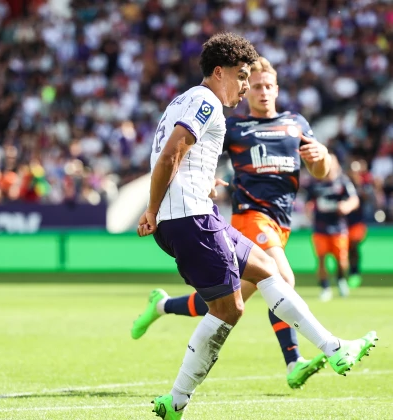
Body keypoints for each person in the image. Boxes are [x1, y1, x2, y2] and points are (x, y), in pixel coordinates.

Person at [137, 33, 378, 420]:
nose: (247, 86)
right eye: (243, 76)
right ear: (219, 72)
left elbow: (180, 153)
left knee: (267, 272)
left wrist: (198, 182)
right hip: (190, 219)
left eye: (255, 79)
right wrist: (151, 209)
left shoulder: (183, 99)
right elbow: (169, 155)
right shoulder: (206, 102)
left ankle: (334, 348)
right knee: (229, 309)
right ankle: (177, 401)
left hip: (195, 212)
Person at [132, 56, 335, 389]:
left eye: (267, 86)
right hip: (250, 217)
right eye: (253, 85)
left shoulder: (295, 123)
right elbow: (194, 151)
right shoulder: (236, 126)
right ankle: (297, 360)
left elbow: (320, 171)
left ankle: (164, 306)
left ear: (277, 88)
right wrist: (205, 181)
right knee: (281, 277)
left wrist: (322, 158)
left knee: (228, 299)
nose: (261, 91)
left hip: (280, 223)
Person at [305, 155, 360, 301]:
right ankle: (325, 287)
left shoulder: (343, 182)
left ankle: (341, 280)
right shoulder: (315, 183)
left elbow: (354, 200)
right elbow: (308, 203)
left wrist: (346, 207)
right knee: (321, 259)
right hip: (320, 227)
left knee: (341, 260)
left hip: (338, 227)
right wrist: (309, 212)